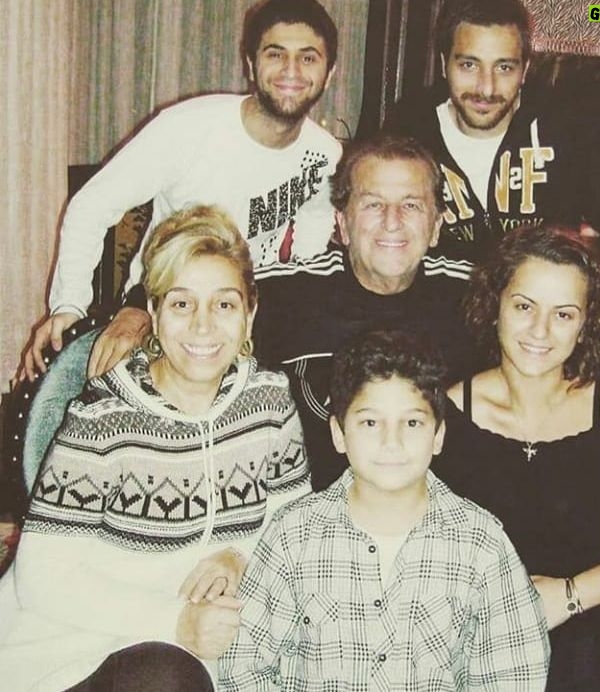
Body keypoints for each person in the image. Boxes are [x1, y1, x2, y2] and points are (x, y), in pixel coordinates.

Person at [0, 206, 310, 691]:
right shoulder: (103, 422)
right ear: (155, 313)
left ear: (250, 314)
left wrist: (240, 556)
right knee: (170, 678)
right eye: (182, 304)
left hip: (200, 645)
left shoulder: (269, 403)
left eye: (224, 305)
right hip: (70, 651)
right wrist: (174, 623)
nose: (203, 327)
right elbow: (41, 579)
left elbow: (294, 525)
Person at [20, 0, 342, 383]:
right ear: (251, 64)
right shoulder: (187, 129)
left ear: (329, 73)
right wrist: (70, 305)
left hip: (253, 312)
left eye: (308, 58)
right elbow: (91, 206)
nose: (291, 70)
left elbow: (312, 239)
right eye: (276, 54)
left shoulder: (325, 154)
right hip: (165, 304)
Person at [218, 329, 550, 690]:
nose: (392, 442)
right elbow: (244, 666)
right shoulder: (293, 535)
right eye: (370, 423)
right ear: (339, 433)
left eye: (412, 423)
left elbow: (516, 673)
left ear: (438, 435)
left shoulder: (481, 543)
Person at [435, 224, 600, 691]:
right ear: (495, 305)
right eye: (524, 306)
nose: (540, 331)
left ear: (586, 323)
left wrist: (569, 597)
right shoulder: (445, 416)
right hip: (493, 653)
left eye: (564, 314)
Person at [384, 0, 600, 370]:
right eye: (469, 65)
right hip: (439, 331)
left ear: (525, 69)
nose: (486, 88)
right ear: (445, 63)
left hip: (542, 332)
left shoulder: (570, 128)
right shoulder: (409, 127)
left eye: (504, 67)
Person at [253, 134, 478, 491]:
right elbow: (195, 294)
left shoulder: (474, 296)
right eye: (373, 204)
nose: (392, 221)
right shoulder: (285, 296)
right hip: (314, 509)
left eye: (411, 205)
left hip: (442, 509)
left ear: (436, 226)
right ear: (342, 224)